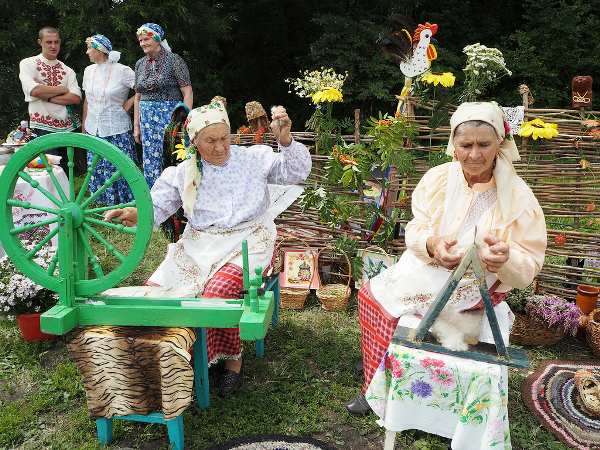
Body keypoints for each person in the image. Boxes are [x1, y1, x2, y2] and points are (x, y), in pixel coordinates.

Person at [346, 101, 547, 415]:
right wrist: (431, 243)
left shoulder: (520, 199)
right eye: (466, 144)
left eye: (484, 144)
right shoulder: (438, 178)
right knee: (370, 295)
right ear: (454, 146)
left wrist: (505, 260)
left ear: (500, 145)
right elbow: (416, 227)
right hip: (429, 265)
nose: (475, 154)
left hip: (475, 283)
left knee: (397, 311)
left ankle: (380, 387)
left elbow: (528, 269)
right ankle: (380, 364)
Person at [105, 100, 312, 397]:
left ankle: (232, 360)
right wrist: (133, 213)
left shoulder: (253, 158)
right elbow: (156, 208)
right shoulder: (183, 173)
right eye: (210, 140)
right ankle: (175, 356)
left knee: (219, 293)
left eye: (224, 137)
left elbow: (296, 173)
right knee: (161, 291)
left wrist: (285, 141)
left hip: (250, 238)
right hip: (201, 242)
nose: (219, 147)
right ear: (194, 142)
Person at [133, 23, 193, 189]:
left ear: (157, 40)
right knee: (150, 158)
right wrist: (136, 126)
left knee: (170, 155)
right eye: (140, 40)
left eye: (146, 39)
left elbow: (188, 93)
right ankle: (153, 202)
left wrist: (184, 121)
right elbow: (137, 97)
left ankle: (175, 202)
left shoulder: (174, 60)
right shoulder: (139, 64)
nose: (143, 43)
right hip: (146, 120)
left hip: (169, 117)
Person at [82, 34, 138, 205]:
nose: (87, 52)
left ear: (100, 50)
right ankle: (102, 205)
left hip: (117, 129)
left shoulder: (123, 71)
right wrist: (84, 127)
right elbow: (87, 100)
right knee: (96, 168)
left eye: (89, 48)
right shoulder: (88, 70)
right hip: (94, 128)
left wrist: (129, 102)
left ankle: (125, 204)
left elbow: (143, 90)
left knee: (118, 168)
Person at [19, 26, 82, 175]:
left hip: (67, 125)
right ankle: (48, 199)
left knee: (67, 169)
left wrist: (44, 92)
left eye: (56, 42)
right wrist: (62, 89)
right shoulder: (28, 63)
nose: (53, 46)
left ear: (60, 42)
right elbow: (34, 90)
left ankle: (67, 198)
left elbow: (75, 98)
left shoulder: (67, 70)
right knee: (48, 169)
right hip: (43, 125)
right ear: (40, 42)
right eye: (48, 42)